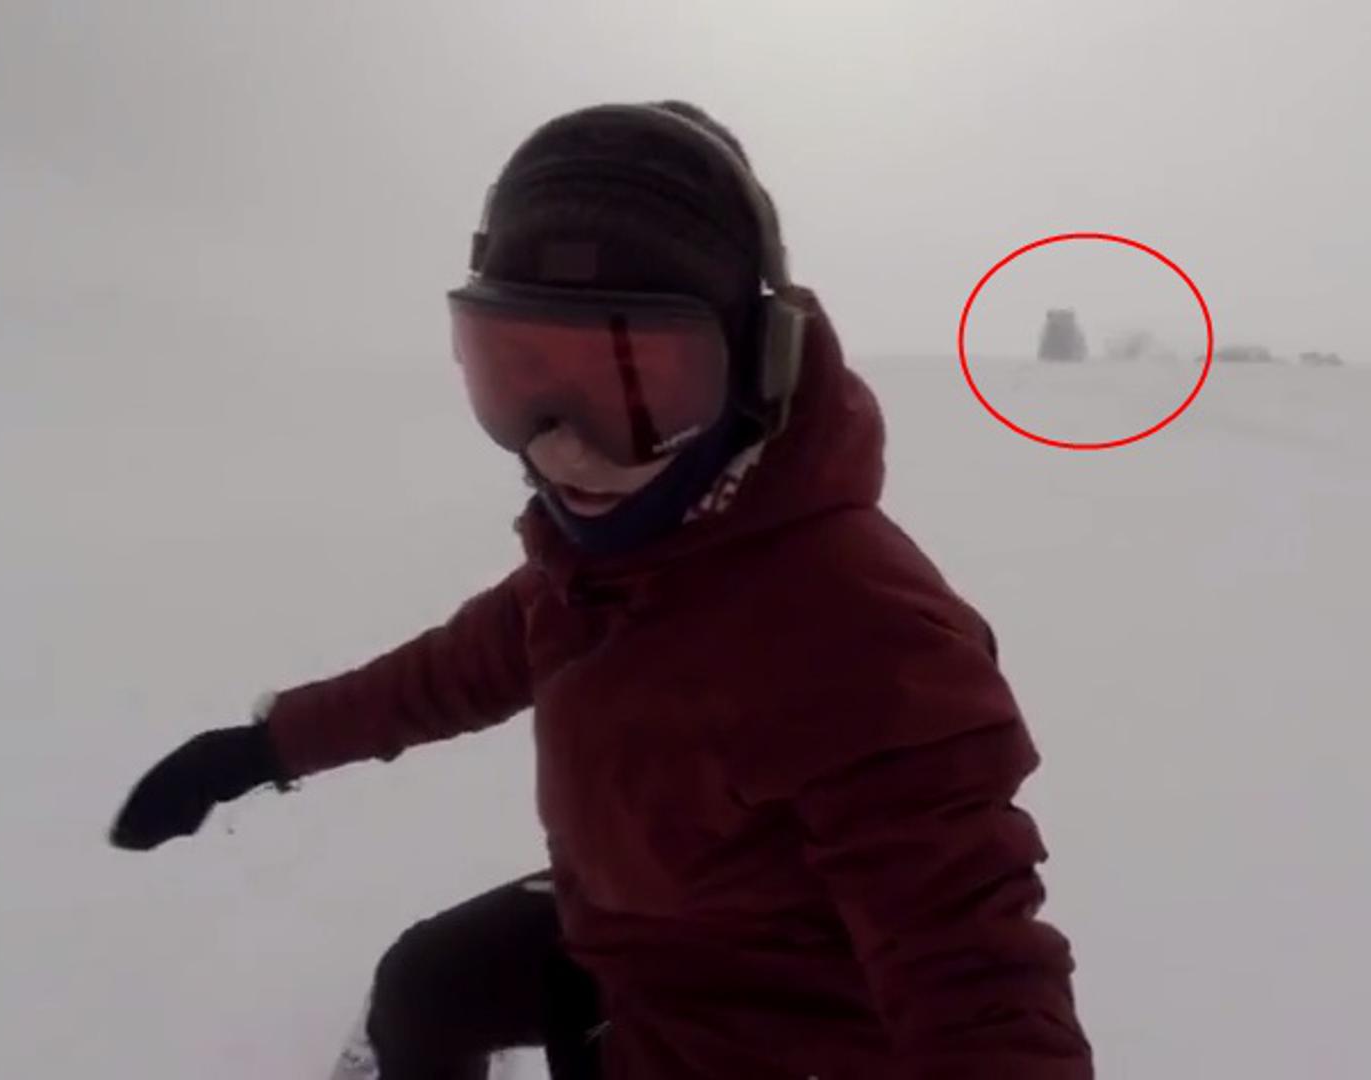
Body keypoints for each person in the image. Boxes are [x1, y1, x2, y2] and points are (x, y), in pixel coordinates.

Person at [111, 100, 1093, 1079]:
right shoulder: (608, 567)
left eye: (636, 389)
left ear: (758, 363)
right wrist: (266, 745)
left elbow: (973, 974)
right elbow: (450, 672)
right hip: (622, 934)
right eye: (522, 378)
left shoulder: (860, 631)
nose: (564, 449)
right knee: (422, 985)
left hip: (764, 1029)